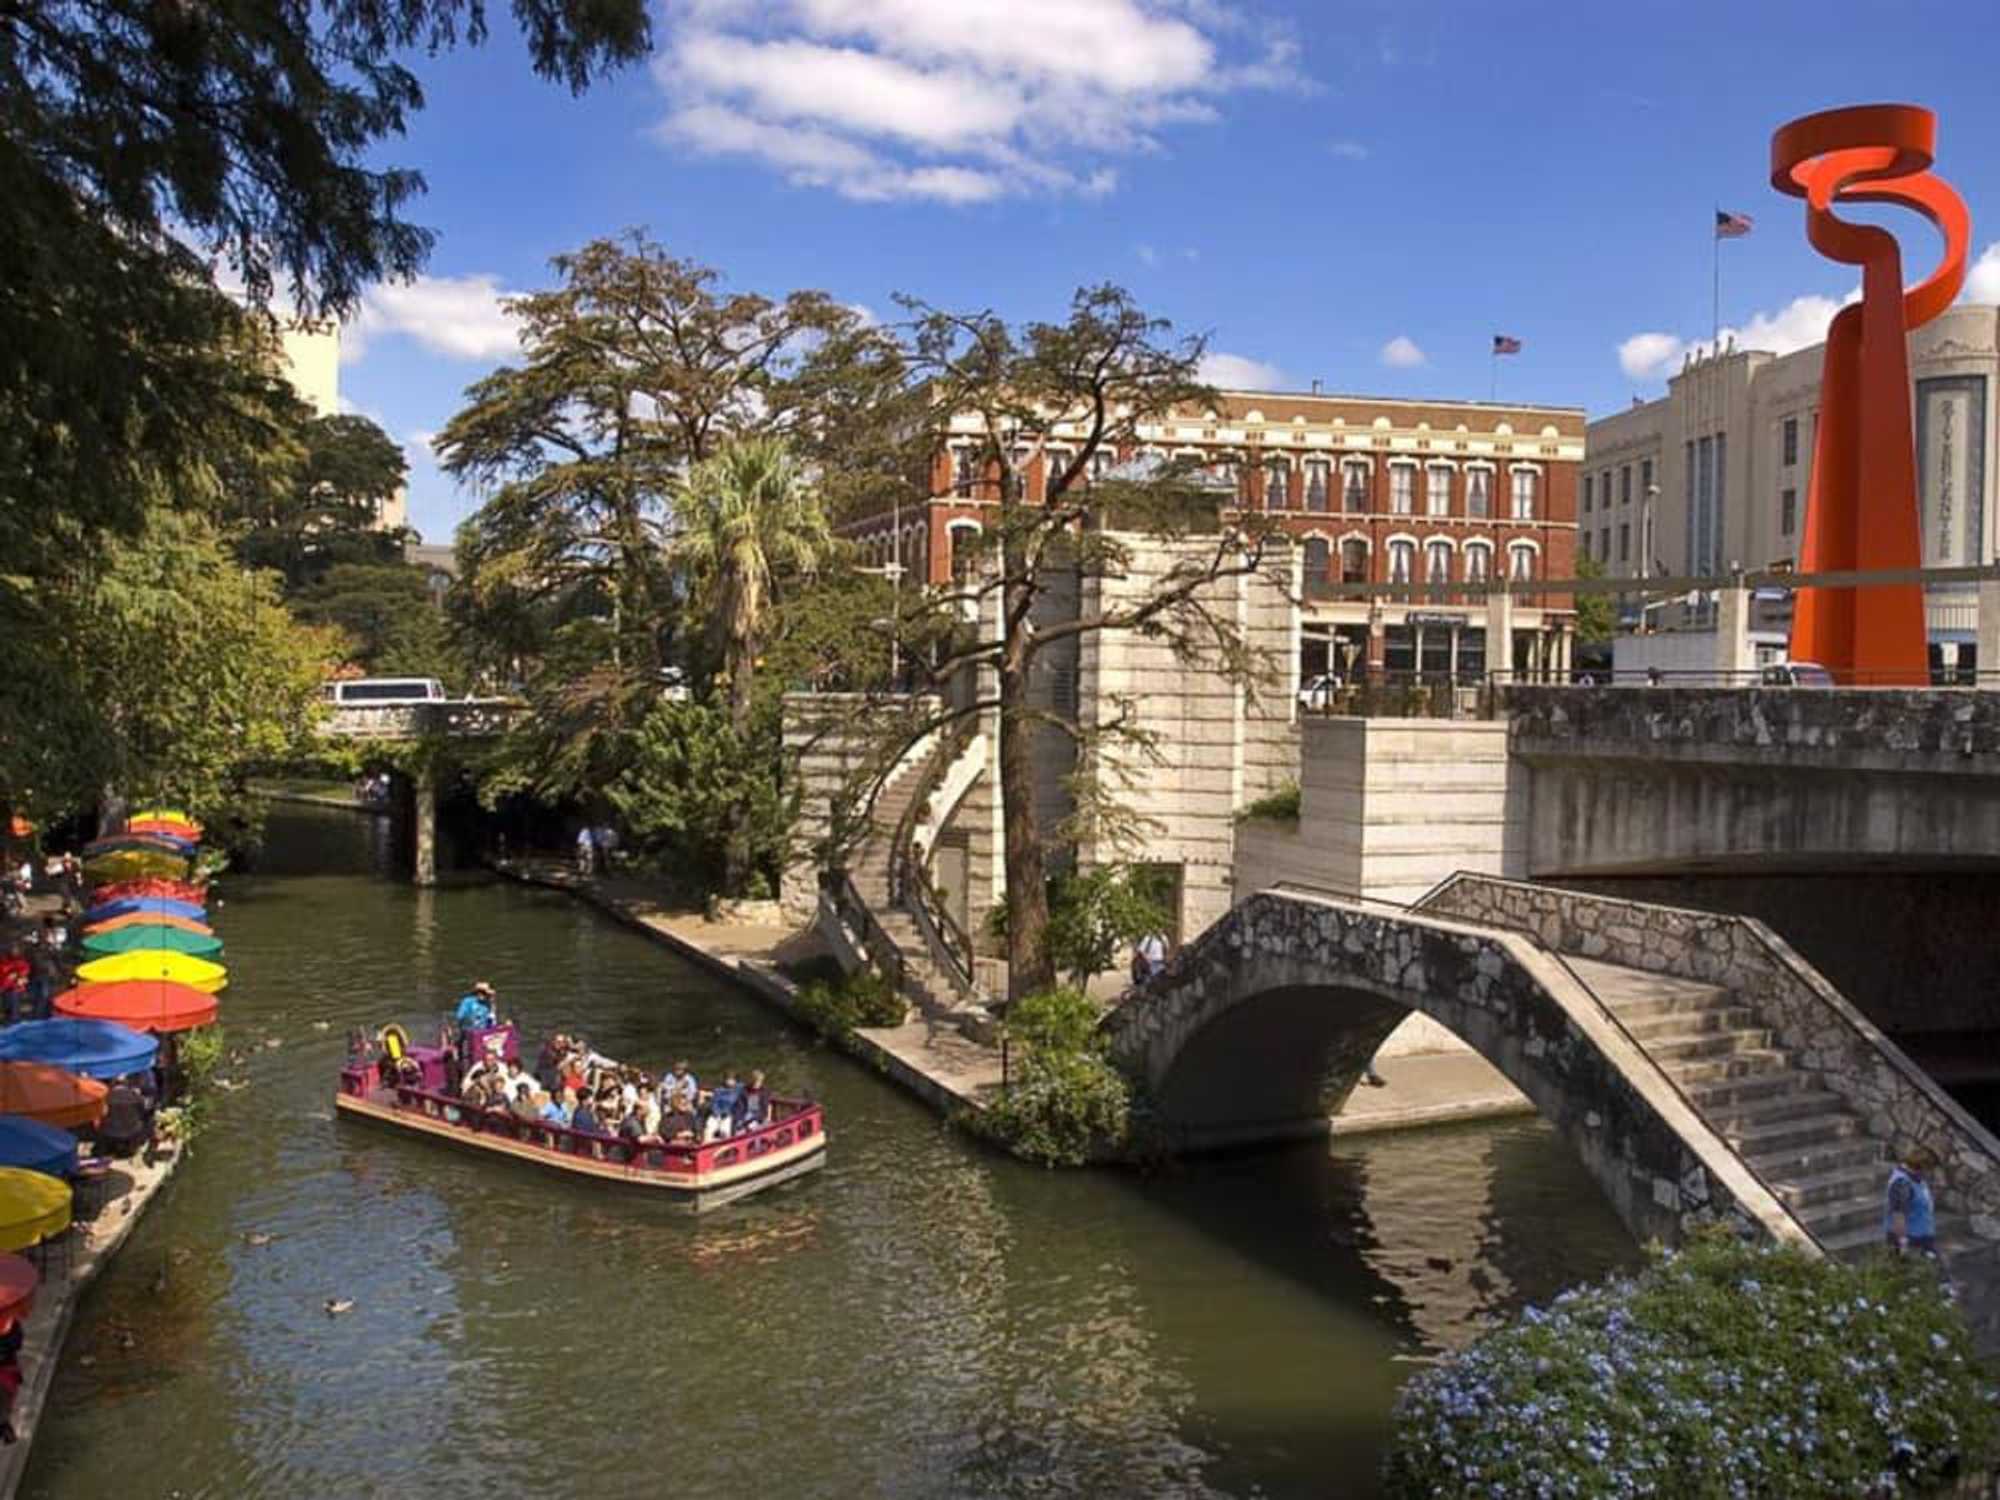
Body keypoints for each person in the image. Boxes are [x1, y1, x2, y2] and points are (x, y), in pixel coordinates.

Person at [1886, 1146, 1939, 1257]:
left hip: (1923, 1236)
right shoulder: (1902, 1184)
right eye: (1931, 1169)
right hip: (1912, 1241)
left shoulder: (1916, 1178)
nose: (1932, 1173)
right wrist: (1903, 1244)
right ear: (1923, 1167)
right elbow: (1898, 1215)